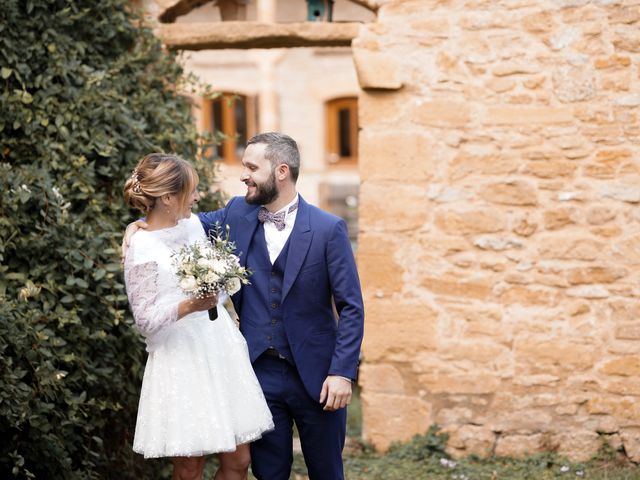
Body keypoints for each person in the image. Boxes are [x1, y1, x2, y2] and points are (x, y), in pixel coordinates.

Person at [124, 133, 365, 479]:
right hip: (255, 373)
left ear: (281, 171)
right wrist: (136, 226)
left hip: (318, 376)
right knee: (266, 472)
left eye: (252, 167)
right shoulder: (237, 213)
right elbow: (172, 224)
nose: (243, 175)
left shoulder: (329, 229)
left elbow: (351, 307)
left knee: (327, 472)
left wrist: (342, 372)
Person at [122, 153, 273, 480]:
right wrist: (190, 305)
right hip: (180, 357)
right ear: (167, 197)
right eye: (191, 191)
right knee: (189, 467)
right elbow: (145, 319)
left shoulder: (192, 225)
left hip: (219, 348)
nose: (197, 197)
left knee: (239, 460)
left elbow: (211, 278)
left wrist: (220, 284)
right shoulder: (141, 247)